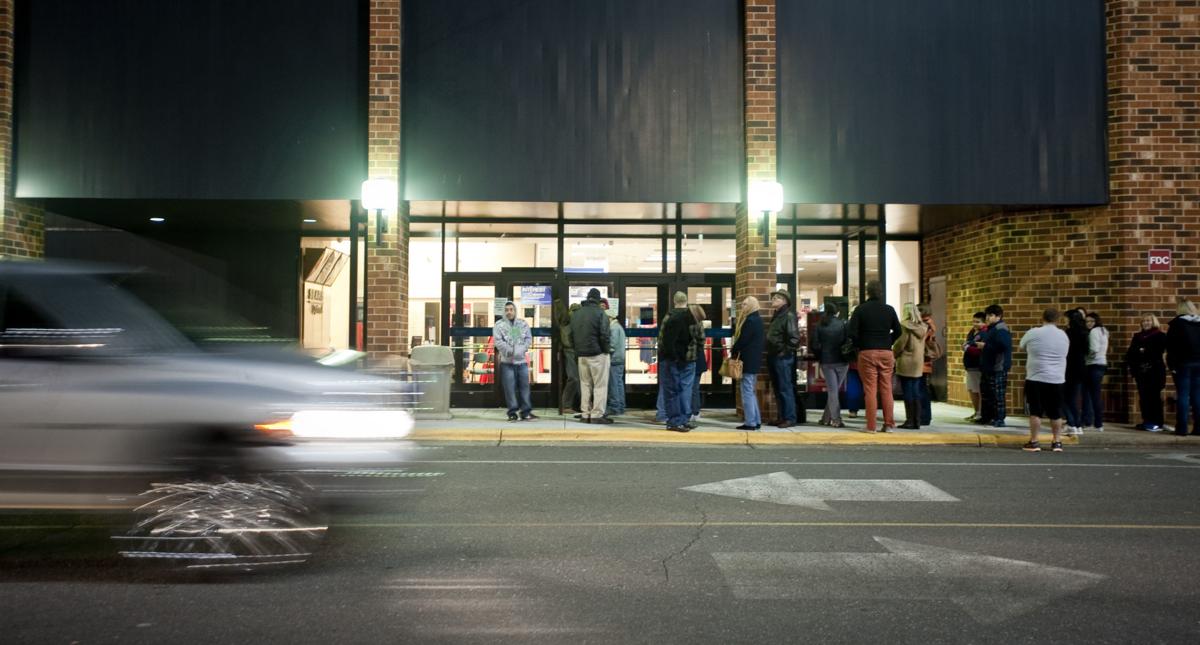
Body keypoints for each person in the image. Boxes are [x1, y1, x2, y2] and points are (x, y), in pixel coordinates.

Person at [846, 281, 902, 433]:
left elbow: (852, 333)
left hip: (867, 352)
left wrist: (861, 343)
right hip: (886, 352)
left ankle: (871, 426)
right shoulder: (889, 310)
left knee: (870, 389)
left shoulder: (861, 310)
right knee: (886, 388)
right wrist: (888, 341)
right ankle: (889, 424)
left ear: (867, 292)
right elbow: (898, 331)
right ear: (881, 292)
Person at [1019, 308, 1069, 452]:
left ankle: (1034, 441)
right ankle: (1057, 442)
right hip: (1057, 378)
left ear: (1043, 318)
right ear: (1058, 319)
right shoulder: (1063, 335)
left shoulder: (1033, 332)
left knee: (1035, 411)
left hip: (1036, 377)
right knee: (1056, 412)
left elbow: (1021, 346)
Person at [660, 292, 701, 432]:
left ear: (674, 301)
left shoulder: (669, 316)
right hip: (689, 360)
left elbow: (662, 340)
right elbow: (701, 338)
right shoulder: (693, 318)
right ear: (686, 301)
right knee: (685, 390)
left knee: (672, 390)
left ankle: (674, 420)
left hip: (672, 359)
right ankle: (684, 419)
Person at [570, 288, 612, 424]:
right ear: (598, 299)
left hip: (581, 355)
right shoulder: (601, 314)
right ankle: (597, 415)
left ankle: (585, 413)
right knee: (600, 385)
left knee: (585, 384)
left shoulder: (576, 314)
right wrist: (606, 351)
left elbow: (571, 336)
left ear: (588, 298)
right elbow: (604, 335)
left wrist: (577, 350)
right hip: (597, 354)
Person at [493, 301, 536, 422]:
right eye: (506, 310)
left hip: (521, 362)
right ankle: (512, 413)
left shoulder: (522, 324)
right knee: (509, 388)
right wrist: (509, 351)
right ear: (504, 312)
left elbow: (528, 338)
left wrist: (521, 350)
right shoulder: (499, 325)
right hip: (507, 363)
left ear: (515, 311)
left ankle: (526, 412)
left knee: (524, 387)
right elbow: (498, 341)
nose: (509, 312)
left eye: (511, 309)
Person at [765, 289, 801, 428]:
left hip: (782, 358)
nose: (773, 299)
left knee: (785, 388)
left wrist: (783, 352)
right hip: (774, 356)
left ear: (785, 301)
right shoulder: (778, 315)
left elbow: (794, 339)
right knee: (778, 388)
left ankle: (790, 418)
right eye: (773, 297)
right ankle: (782, 416)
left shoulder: (788, 316)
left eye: (777, 298)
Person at [1126, 312, 1167, 431]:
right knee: (1144, 398)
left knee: (1154, 397)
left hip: (1155, 372)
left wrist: (1142, 351)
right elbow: (1130, 354)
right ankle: (1147, 420)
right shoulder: (1137, 336)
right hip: (1141, 372)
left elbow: (1156, 353)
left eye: (1148, 320)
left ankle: (1157, 422)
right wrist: (1141, 351)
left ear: (1153, 322)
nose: (1146, 323)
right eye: (1144, 321)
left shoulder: (1160, 336)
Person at [730, 295, 764, 430]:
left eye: (744, 304)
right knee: (751, 391)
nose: (742, 307)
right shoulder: (757, 319)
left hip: (748, 360)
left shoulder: (750, 320)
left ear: (751, 305)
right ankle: (756, 420)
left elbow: (743, 339)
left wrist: (734, 349)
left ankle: (750, 422)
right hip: (754, 360)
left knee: (747, 391)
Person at [1166, 299, 1200, 437]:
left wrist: (1172, 365)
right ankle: (1198, 428)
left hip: (1183, 363)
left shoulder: (1177, 324)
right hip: (1199, 363)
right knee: (1197, 396)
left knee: (1183, 396)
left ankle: (1182, 428)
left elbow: (1171, 347)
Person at [812, 302, 849, 427]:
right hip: (842, 361)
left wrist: (820, 356)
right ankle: (836, 420)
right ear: (837, 312)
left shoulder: (819, 325)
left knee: (833, 391)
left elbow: (815, 345)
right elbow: (847, 341)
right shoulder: (843, 324)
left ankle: (826, 418)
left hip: (827, 362)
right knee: (834, 391)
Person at [976, 304, 1012, 428]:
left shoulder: (1001, 329)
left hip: (997, 367)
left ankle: (999, 418)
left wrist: (985, 346)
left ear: (998, 316)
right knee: (987, 393)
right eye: (987, 315)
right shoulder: (991, 329)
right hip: (988, 366)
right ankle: (987, 416)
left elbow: (1003, 346)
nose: (988, 317)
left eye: (991, 315)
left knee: (997, 395)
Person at [893, 303, 928, 429]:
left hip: (906, 361)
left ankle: (909, 420)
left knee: (908, 391)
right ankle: (917, 420)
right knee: (916, 391)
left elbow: (901, 344)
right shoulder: (923, 327)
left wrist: (894, 353)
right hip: (918, 362)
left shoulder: (905, 326)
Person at [1062, 309, 1089, 434]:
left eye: (1066, 318)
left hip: (1069, 367)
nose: (1064, 320)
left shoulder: (1069, 333)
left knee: (1065, 398)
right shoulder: (1084, 332)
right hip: (1081, 367)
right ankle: (1077, 424)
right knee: (1073, 398)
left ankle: (1071, 423)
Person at [554, 300, 582, 414]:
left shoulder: (570, 322)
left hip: (575, 352)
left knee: (578, 379)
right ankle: (566, 405)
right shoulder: (568, 322)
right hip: (571, 351)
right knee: (574, 378)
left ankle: (579, 404)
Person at [1083, 312, 1109, 432]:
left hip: (1093, 364)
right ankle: (1098, 423)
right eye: (1087, 321)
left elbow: (1094, 349)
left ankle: (1093, 422)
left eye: (1091, 321)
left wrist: (1086, 357)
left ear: (1096, 321)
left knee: (1090, 394)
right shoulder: (1104, 331)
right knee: (1095, 394)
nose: (1089, 323)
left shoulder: (1094, 331)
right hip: (1101, 364)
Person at [962, 311, 987, 421]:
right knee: (972, 389)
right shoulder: (972, 332)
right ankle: (976, 411)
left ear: (984, 322)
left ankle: (980, 413)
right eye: (974, 321)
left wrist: (967, 348)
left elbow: (980, 350)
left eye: (978, 322)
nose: (975, 324)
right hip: (969, 365)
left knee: (978, 390)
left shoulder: (984, 333)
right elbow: (969, 343)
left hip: (977, 365)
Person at [604, 305, 627, 418]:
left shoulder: (613, 328)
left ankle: (614, 407)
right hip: (620, 359)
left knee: (613, 384)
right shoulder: (619, 327)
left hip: (614, 359)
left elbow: (612, 345)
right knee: (618, 384)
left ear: (609, 318)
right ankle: (621, 406)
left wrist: (604, 349)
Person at [918, 304, 939, 425]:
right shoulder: (929, 323)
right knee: (923, 388)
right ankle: (924, 416)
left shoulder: (926, 325)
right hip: (925, 361)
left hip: (923, 360)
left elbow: (920, 339)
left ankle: (924, 417)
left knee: (921, 389)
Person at [688, 304, 708, 422]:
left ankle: (694, 411)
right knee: (694, 387)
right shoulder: (699, 325)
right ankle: (695, 411)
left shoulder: (694, 325)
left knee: (693, 387)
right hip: (699, 360)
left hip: (695, 360)